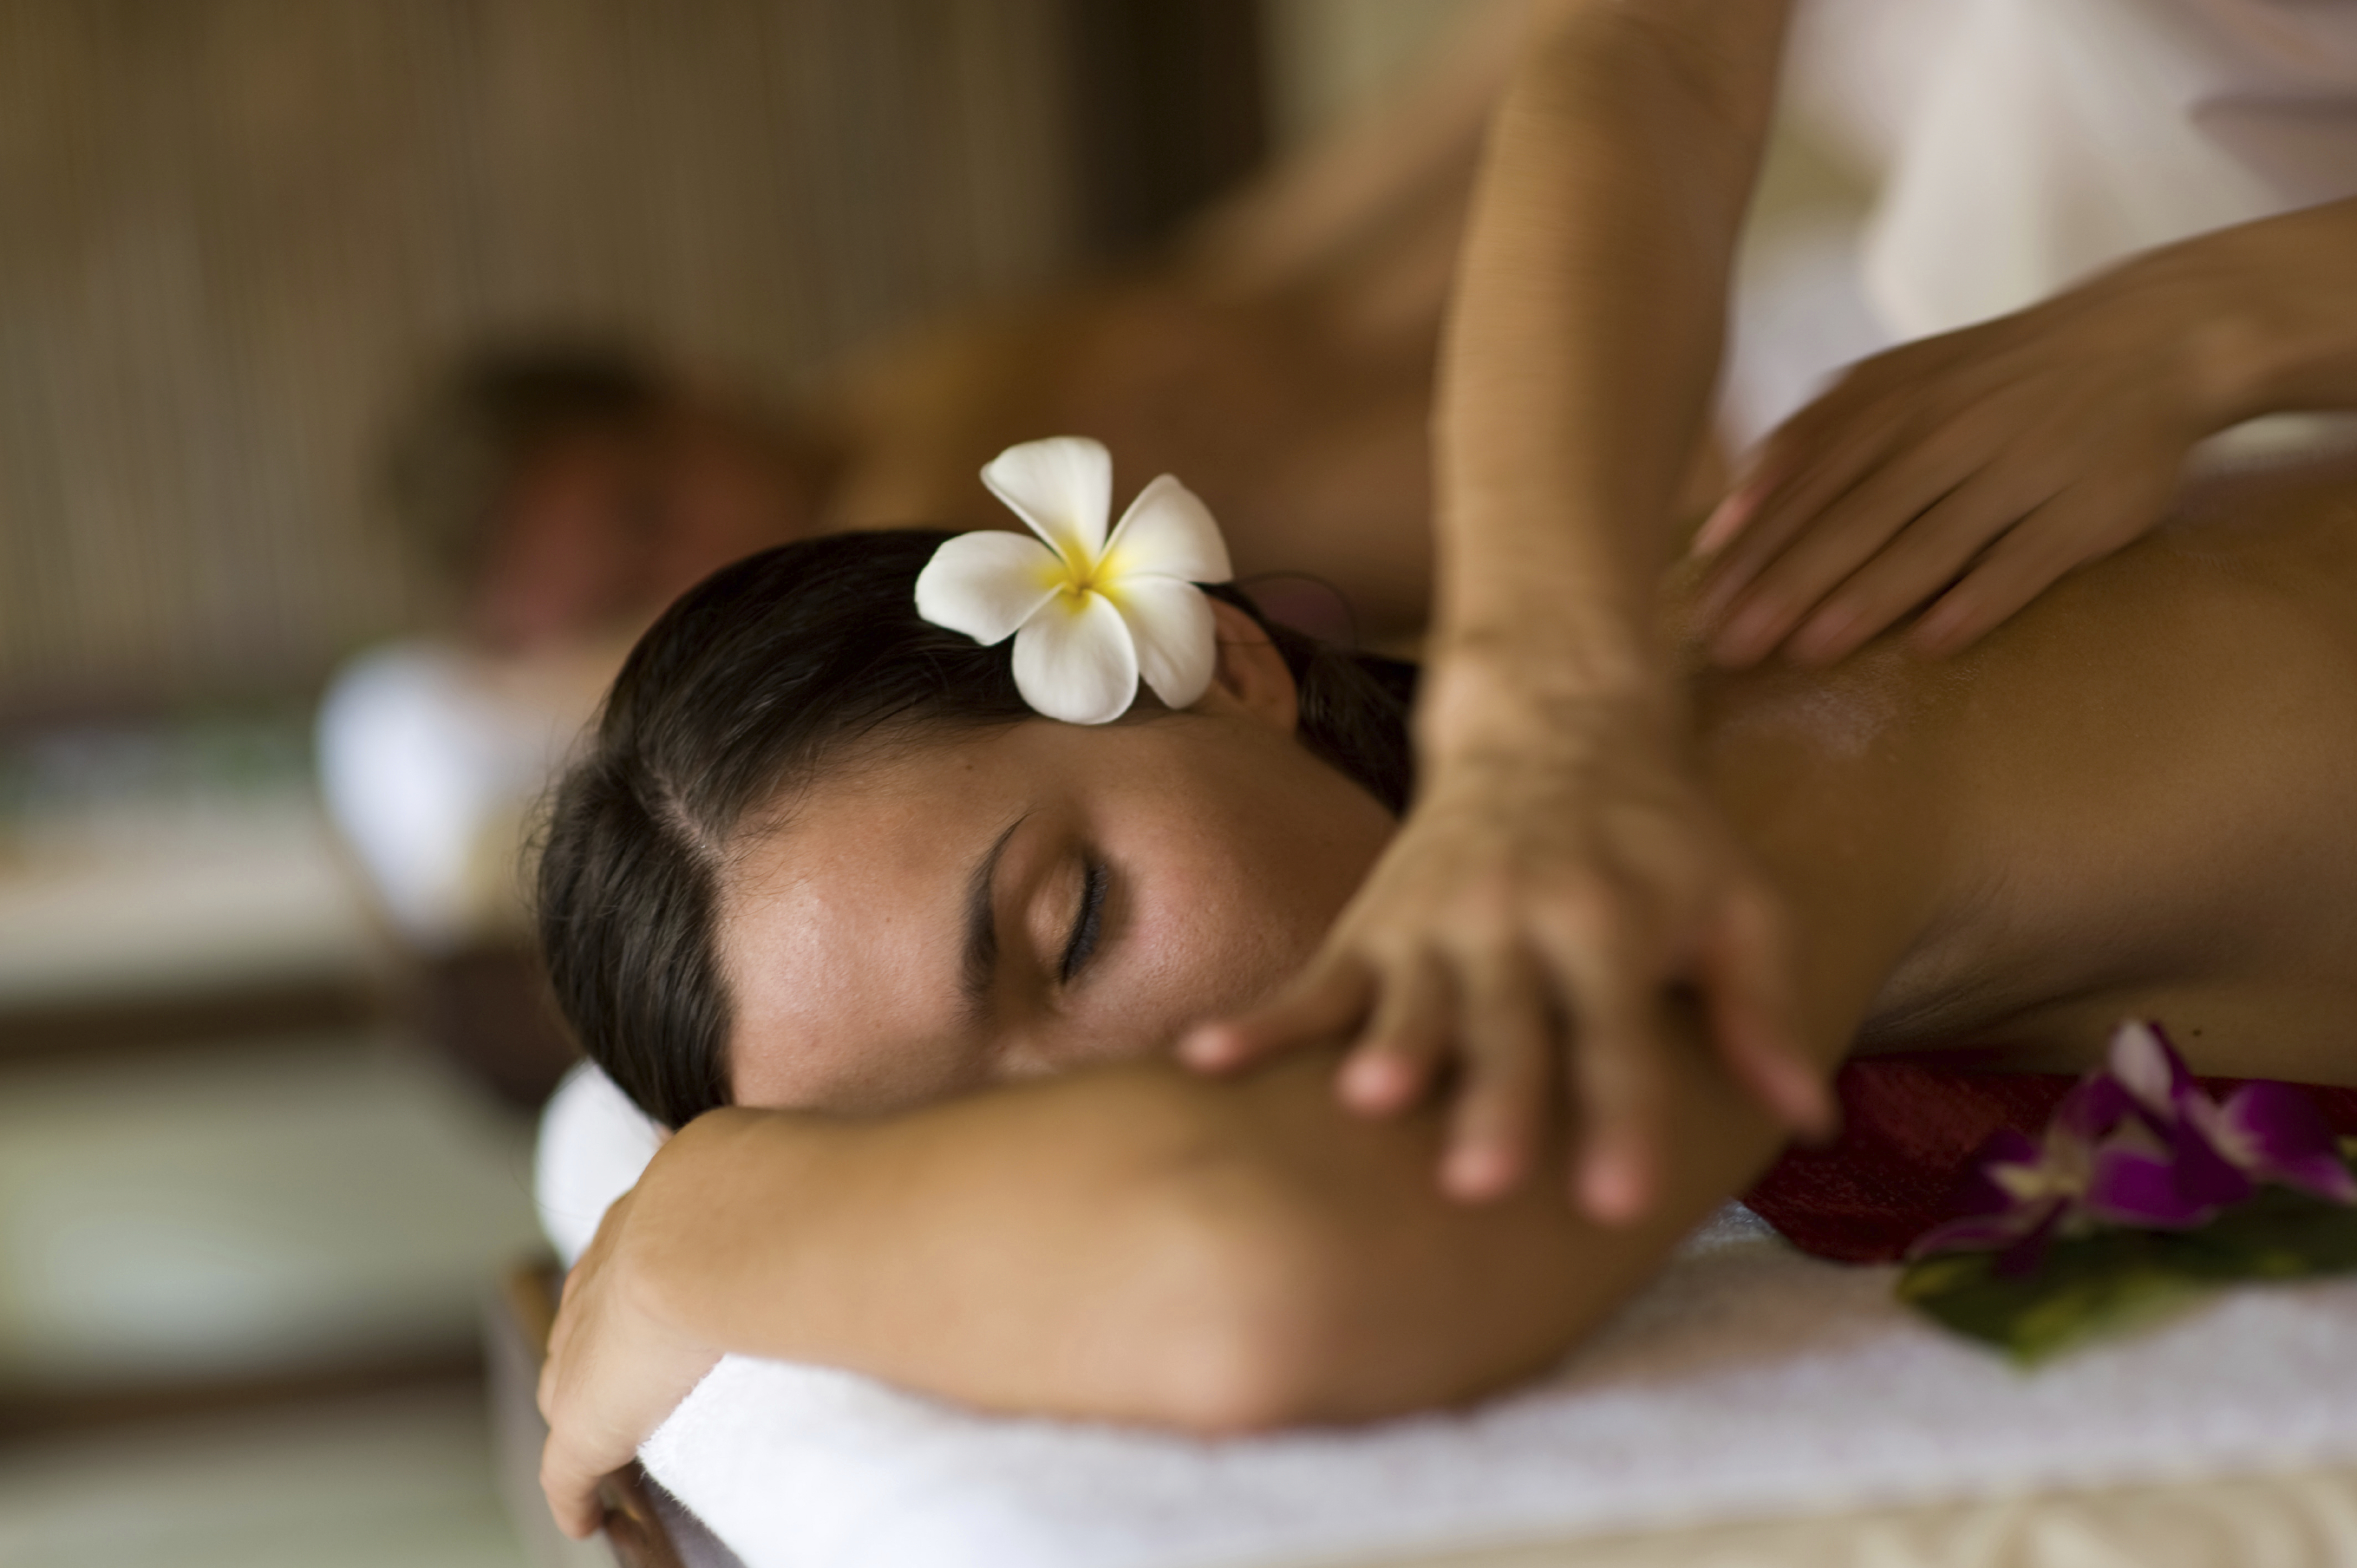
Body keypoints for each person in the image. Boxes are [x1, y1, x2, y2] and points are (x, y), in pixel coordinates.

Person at [521, 0, 2357, 1536]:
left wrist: (717, 1234)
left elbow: (1270, 1274)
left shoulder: (1722, 788)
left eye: (1073, 929)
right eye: (972, 1139)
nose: (1142, 1082)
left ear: (1227, 664)